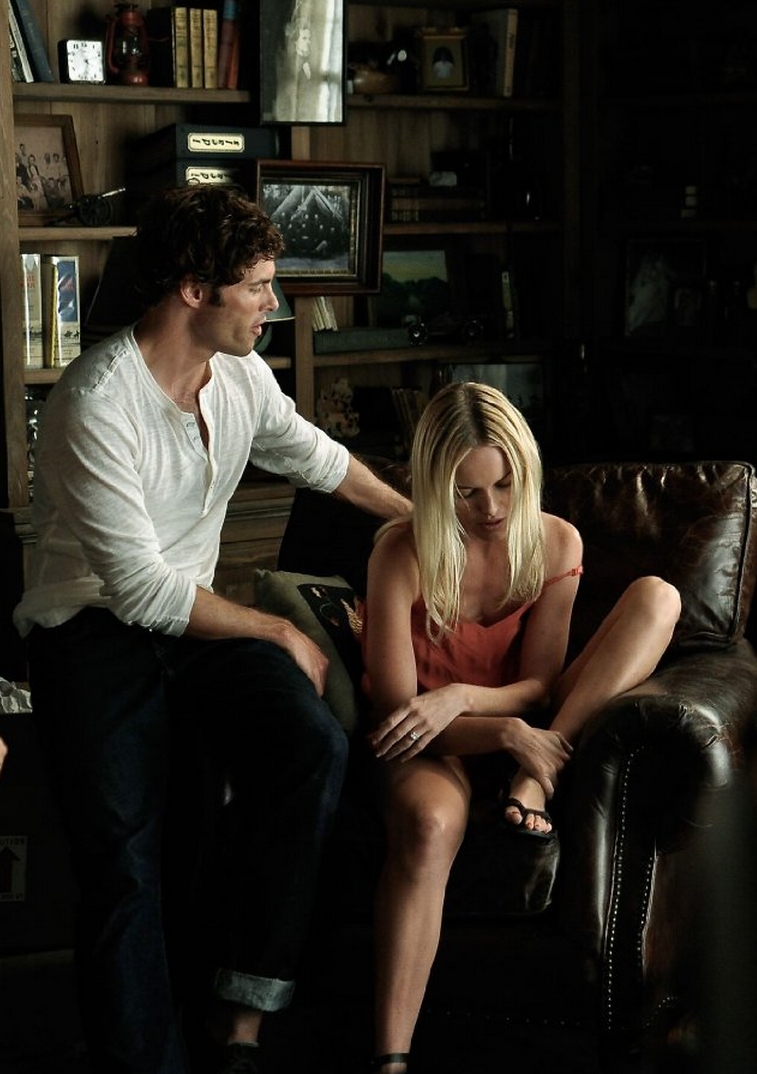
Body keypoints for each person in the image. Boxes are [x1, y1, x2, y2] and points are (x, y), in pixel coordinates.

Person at [12, 183, 411, 1074]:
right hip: (90, 631)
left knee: (310, 744)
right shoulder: (95, 401)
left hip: (192, 621)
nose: (274, 303)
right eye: (258, 286)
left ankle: (243, 1011)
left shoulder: (240, 378)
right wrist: (278, 633)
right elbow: (139, 590)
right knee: (125, 865)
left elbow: (319, 460)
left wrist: (423, 524)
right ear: (194, 290)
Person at [361, 382, 681, 1074]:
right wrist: (498, 730)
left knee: (658, 598)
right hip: (430, 744)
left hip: (529, 725)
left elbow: (539, 683)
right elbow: (397, 714)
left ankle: (533, 780)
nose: (491, 509)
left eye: (505, 485)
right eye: (467, 493)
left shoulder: (555, 539)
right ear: (434, 487)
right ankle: (390, 1060)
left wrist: (462, 698)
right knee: (429, 826)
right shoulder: (399, 552)